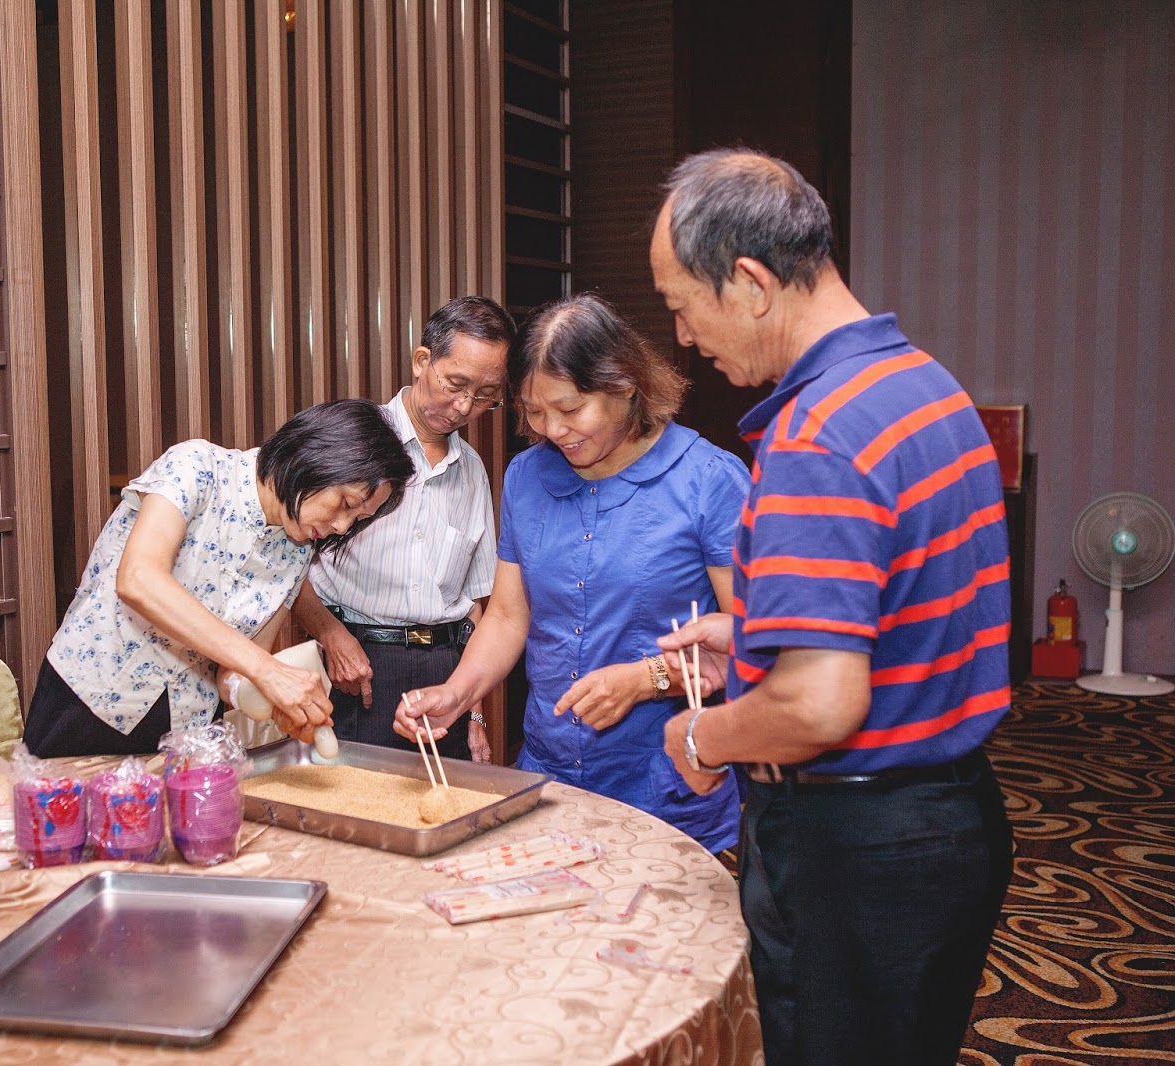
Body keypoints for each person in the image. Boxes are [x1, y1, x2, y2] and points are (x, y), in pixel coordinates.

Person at [649, 149, 1013, 1066]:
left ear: (750, 283)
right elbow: (910, 602)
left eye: (682, 307)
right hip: (949, 819)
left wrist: (702, 738)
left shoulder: (817, 433)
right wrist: (754, 634)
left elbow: (818, 705)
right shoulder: (923, 384)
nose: (683, 338)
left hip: (855, 847)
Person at [394, 293, 750, 854]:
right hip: (551, 772)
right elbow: (508, 616)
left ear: (624, 386)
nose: (553, 430)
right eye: (535, 412)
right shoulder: (527, 476)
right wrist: (457, 694)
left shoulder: (708, 480)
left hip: (667, 781)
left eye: (570, 409)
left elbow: (758, 639)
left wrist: (647, 679)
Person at [24, 399, 415, 757]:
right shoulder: (198, 468)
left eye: (357, 519)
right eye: (345, 503)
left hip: (187, 729)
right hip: (90, 701)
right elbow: (138, 579)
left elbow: (232, 675)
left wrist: (272, 701)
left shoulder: (295, 553)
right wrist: (268, 671)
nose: (341, 526)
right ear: (315, 456)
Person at [291, 296, 513, 762]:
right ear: (421, 360)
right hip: (358, 667)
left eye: (485, 395)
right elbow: (287, 564)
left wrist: (473, 711)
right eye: (456, 384)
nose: (463, 406)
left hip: (446, 673)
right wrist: (330, 634)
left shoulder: (472, 470)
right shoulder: (353, 440)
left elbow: (475, 605)